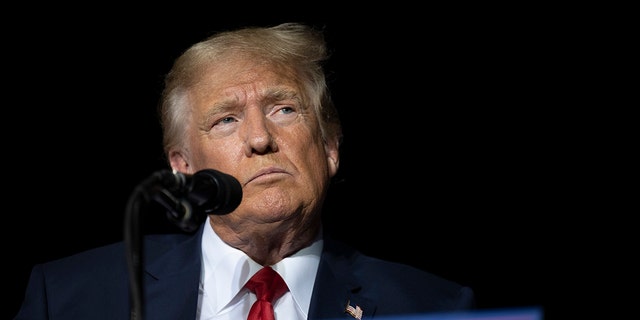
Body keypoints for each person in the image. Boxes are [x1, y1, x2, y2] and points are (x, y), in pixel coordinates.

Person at [14, 22, 475, 319]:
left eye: (285, 109)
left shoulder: (433, 308)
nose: (260, 139)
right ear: (183, 169)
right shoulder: (71, 298)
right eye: (226, 119)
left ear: (330, 148)